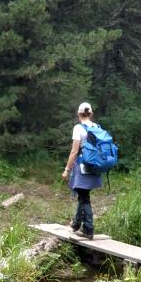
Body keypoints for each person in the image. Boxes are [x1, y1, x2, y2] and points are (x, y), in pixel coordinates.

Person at [61, 102, 103, 239]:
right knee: (83, 196)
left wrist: (67, 169)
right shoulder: (97, 127)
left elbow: (74, 152)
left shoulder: (78, 128)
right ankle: (75, 225)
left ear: (79, 114)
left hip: (82, 166)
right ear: (90, 114)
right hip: (95, 166)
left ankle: (88, 230)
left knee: (84, 198)